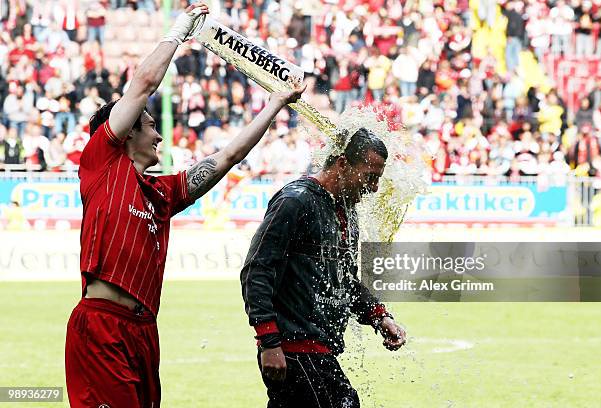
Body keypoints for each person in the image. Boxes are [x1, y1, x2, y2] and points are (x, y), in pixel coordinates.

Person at [64, 4, 306, 407]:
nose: (159, 137)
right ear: (124, 134)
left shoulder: (161, 193)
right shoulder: (102, 163)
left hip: (144, 331)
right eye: (151, 125)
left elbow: (227, 157)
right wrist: (181, 31)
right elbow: (141, 85)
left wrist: (277, 102)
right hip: (103, 326)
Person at [241, 128, 406, 408]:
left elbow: (346, 282)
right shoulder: (295, 201)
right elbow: (257, 270)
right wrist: (269, 342)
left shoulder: (347, 213)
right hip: (294, 349)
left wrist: (380, 317)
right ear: (342, 164)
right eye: (370, 177)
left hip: (319, 349)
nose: (374, 188)